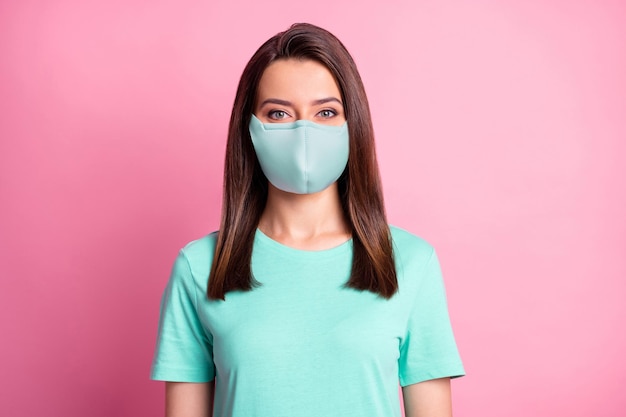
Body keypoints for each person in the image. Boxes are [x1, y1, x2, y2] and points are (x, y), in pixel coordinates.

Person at [151, 23, 464, 417]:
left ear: (354, 126)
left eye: (326, 112)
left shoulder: (411, 262)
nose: (303, 132)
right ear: (249, 130)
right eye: (278, 113)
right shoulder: (200, 267)